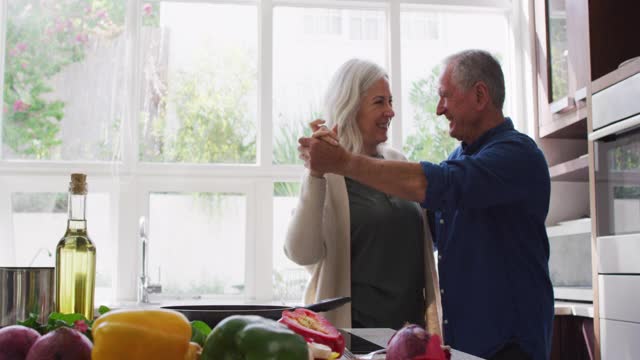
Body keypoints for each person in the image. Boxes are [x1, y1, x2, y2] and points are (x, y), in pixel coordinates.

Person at [298, 50, 553, 360]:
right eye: (380, 101)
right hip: (460, 346)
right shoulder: (460, 159)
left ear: (480, 95)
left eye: (445, 96)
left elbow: (438, 183)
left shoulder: (516, 155)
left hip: (511, 346)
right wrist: (319, 174)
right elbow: (415, 228)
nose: (438, 109)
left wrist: (343, 161)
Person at [284, 58, 442, 334]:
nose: (391, 111)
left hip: (411, 334)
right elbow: (300, 253)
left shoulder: (398, 161)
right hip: (354, 335)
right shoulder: (327, 175)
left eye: (391, 101)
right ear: (350, 107)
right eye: (379, 102)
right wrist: (315, 174)